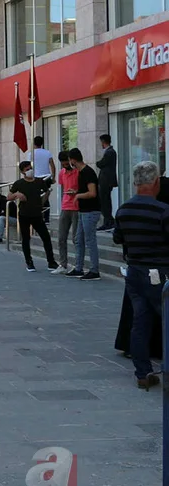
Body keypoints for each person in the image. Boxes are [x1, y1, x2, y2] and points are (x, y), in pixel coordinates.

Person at [112, 161, 169, 389]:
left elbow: (118, 238)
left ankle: (143, 373)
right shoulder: (163, 211)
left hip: (135, 272)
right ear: (155, 182)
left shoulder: (123, 209)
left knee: (140, 323)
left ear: (135, 182)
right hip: (160, 273)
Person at [8, 161, 59, 272]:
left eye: (30, 168)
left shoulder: (39, 181)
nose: (30, 171)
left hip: (37, 215)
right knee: (26, 239)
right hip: (24, 214)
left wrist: (42, 201)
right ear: (22, 172)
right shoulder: (19, 183)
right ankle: (29, 262)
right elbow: (9, 197)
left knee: (46, 237)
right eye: (27, 169)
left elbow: (46, 192)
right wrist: (17, 194)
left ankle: (51, 262)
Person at [66, 148, 101, 280]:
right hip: (83, 211)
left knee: (90, 240)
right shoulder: (81, 172)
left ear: (73, 160)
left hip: (91, 211)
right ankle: (78, 268)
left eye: (70, 160)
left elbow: (92, 193)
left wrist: (78, 195)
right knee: (78, 239)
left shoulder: (88, 172)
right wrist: (75, 192)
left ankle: (94, 270)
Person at [53, 151, 79, 275]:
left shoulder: (78, 172)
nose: (65, 166)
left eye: (66, 164)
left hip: (76, 207)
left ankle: (78, 264)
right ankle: (63, 264)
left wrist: (76, 191)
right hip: (65, 206)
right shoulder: (61, 173)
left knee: (76, 238)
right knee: (61, 237)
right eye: (63, 164)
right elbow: (63, 187)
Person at [96, 134, 118, 231]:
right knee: (105, 201)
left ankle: (108, 221)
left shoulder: (110, 152)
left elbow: (101, 163)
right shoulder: (110, 152)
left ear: (103, 141)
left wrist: (98, 163)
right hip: (106, 181)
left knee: (105, 202)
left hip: (106, 181)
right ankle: (108, 220)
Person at [31, 136, 56, 222]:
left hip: (36, 178)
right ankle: (46, 218)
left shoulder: (31, 153)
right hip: (46, 177)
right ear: (42, 143)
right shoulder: (47, 152)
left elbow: (29, 167)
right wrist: (53, 177)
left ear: (34, 143)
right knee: (46, 196)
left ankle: (38, 215)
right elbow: (53, 166)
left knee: (36, 197)